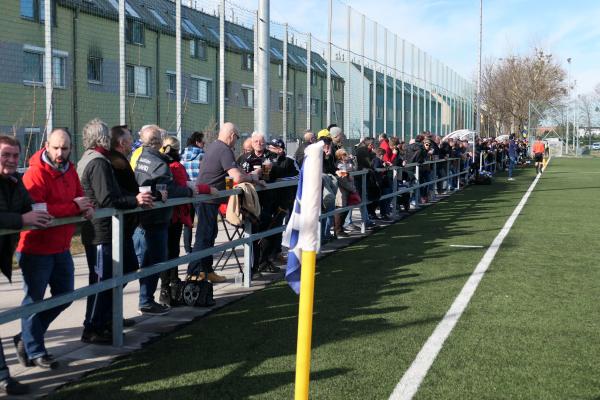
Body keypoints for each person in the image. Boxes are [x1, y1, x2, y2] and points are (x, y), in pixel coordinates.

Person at [15, 128, 94, 370]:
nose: (60, 153)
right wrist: (74, 206)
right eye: (56, 147)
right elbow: (41, 212)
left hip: (61, 246)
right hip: (36, 248)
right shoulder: (35, 174)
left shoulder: (69, 170)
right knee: (35, 300)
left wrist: (85, 207)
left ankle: (27, 336)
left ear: (71, 148)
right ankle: (35, 349)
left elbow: (80, 197)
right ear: (46, 145)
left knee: (65, 295)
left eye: (65, 148)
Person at [77, 119, 154, 344]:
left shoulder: (95, 159)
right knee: (102, 280)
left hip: (106, 229)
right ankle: (92, 327)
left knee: (124, 269)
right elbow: (108, 198)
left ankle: (107, 318)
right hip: (101, 231)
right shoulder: (98, 162)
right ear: (103, 138)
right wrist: (135, 200)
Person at [0, 135, 52, 395]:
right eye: (5, 155)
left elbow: (29, 206)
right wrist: (22, 219)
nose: (10, 160)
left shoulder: (14, 181)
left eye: (14, 155)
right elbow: (21, 214)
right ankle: (4, 378)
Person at [188, 123, 262, 281]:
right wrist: (252, 177)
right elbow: (236, 176)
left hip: (208, 198)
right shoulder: (224, 149)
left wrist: (249, 175)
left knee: (209, 235)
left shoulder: (216, 146)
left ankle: (206, 270)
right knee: (204, 236)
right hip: (207, 198)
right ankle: (194, 273)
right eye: (236, 138)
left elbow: (235, 171)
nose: (236, 141)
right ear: (232, 136)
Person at [133, 125, 194, 315]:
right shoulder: (158, 163)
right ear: (159, 143)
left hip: (141, 218)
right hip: (155, 219)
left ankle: (146, 300)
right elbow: (169, 189)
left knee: (144, 261)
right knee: (155, 261)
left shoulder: (140, 156)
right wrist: (190, 191)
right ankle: (146, 300)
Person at [158, 136, 215, 305]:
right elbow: (184, 187)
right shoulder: (175, 166)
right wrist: (205, 189)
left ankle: (168, 288)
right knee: (171, 252)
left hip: (165, 214)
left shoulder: (162, 164)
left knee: (168, 251)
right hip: (173, 215)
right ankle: (168, 289)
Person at [256, 138, 299, 271]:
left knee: (278, 226)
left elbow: (298, 176)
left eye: (275, 147)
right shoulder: (265, 159)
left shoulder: (290, 160)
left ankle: (276, 253)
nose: (272, 149)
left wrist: (282, 180)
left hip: (283, 199)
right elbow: (264, 177)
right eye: (271, 147)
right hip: (267, 199)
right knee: (269, 227)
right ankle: (266, 258)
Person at [180, 131, 206, 254]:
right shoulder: (203, 155)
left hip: (187, 191)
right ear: (197, 142)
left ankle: (187, 249)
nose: (204, 144)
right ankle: (199, 248)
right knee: (202, 222)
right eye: (203, 142)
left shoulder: (182, 154)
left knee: (187, 222)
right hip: (200, 192)